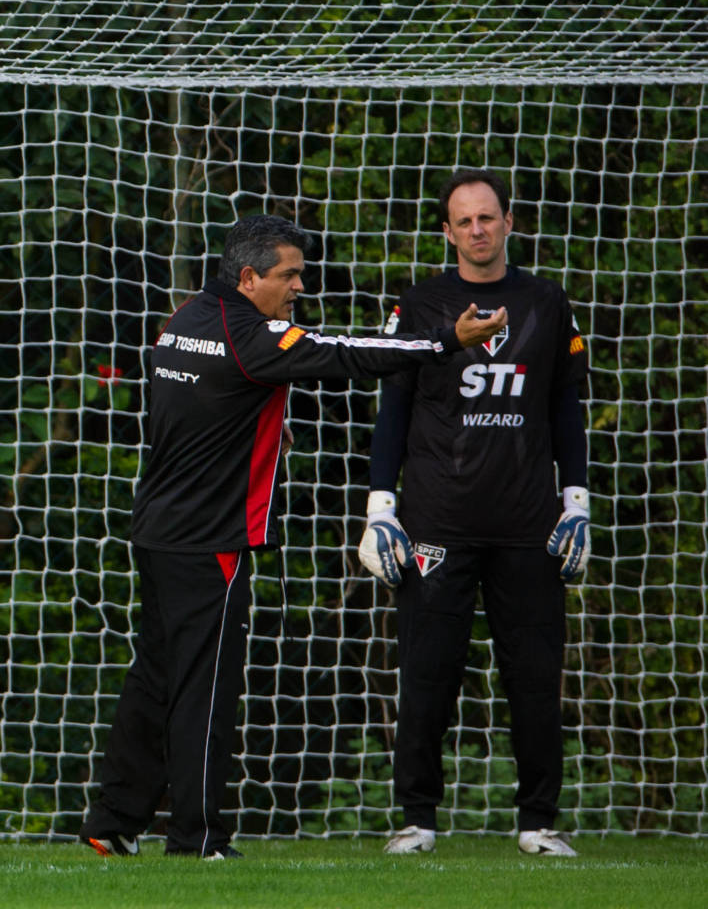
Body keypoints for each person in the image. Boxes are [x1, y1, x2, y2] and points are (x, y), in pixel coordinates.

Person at [79, 213, 507, 861]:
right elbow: (351, 352)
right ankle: (197, 838)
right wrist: (447, 339)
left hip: (158, 531)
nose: (300, 287)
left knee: (155, 680)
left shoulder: (184, 320)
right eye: (290, 275)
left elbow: (204, 404)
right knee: (206, 690)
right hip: (211, 541)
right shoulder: (254, 337)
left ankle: (111, 822)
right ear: (249, 278)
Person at [358, 169, 590, 857]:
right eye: (464, 220)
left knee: (535, 678)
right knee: (427, 674)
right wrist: (380, 506)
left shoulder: (546, 302)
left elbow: (566, 409)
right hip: (437, 522)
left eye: (488, 217)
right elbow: (393, 408)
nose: (478, 229)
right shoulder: (421, 303)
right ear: (447, 232)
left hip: (528, 524)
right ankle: (417, 819)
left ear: (509, 222)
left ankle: (538, 821)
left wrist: (576, 500)